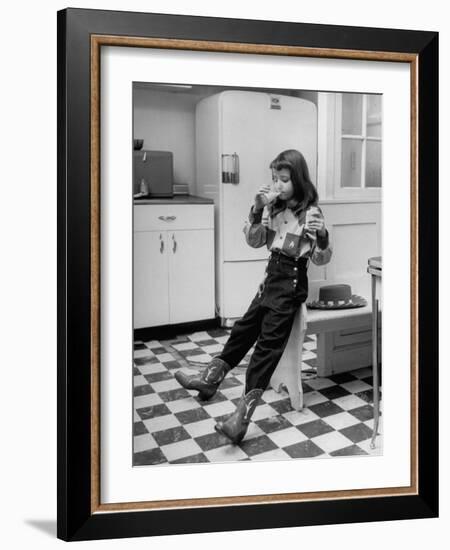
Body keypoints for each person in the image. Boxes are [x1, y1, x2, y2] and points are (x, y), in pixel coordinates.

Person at [175, 149, 332, 444]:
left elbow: (322, 258)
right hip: (270, 281)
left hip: (291, 284)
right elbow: (255, 241)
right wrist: (256, 208)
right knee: (243, 330)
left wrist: (322, 235)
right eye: (274, 179)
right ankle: (210, 380)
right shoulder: (274, 208)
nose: (277, 185)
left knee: (266, 349)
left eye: (283, 180)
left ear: (298, 180)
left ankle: (241, 419)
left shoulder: (311, 212)